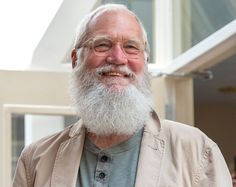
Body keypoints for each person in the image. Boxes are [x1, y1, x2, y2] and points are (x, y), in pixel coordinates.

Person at [13, 4, 232, 187]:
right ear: (75, 60)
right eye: (102, 45)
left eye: (130, 47)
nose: (118, 58)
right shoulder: (36, 160)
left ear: (145, 62)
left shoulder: (197, 151)